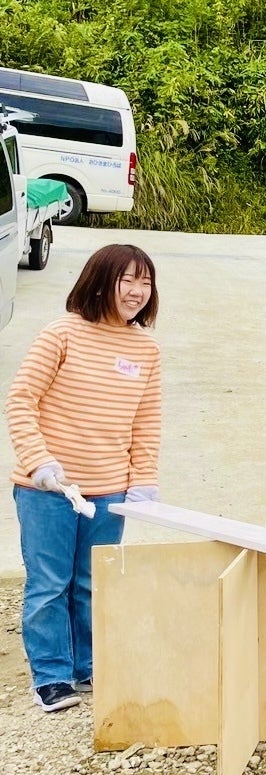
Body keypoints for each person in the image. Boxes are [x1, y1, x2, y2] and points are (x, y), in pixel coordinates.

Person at [5, 243, 162, 713]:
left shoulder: (146, 349)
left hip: (110, 489)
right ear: (100, 281)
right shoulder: (62, 334)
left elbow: (146, 421)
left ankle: (87, 664)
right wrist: (39, 462)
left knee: (93, 581)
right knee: (49, 584)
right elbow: (20, 400)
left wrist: (143, 479)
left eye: (145, 282)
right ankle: (52, 676)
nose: (136, 291)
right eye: (126, 280)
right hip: (48, 489)